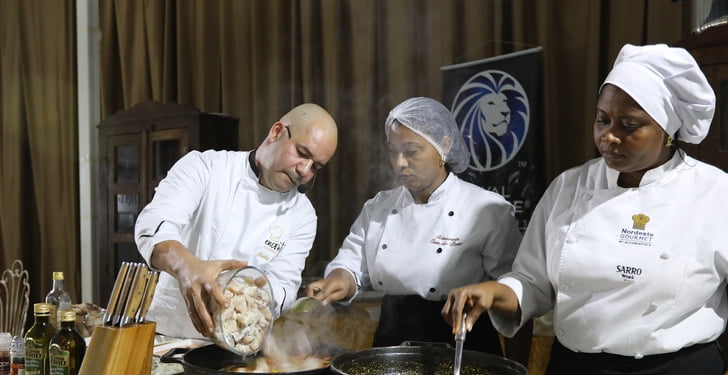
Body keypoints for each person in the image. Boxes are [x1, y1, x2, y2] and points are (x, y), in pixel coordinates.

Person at [442, 43, 728, 375]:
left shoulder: (715, 194)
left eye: (630, 126)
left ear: (669, 130)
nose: (609, 137)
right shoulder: (568, 187)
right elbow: (532, 281)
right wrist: (494, 292)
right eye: (602, 120)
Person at [306, 97, 527, 357]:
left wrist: (520, 369)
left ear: (444, 147)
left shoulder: (487, 209)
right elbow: (352, 263)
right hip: (392, 339)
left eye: (411, 151)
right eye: (393, 151)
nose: (399, 163)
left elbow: (516, 291)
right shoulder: (379, 206)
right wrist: (340, 279)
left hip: (463, 342)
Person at [134, 103, 338, 339]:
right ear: (276, 132)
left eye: (316, 167)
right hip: (168, 336)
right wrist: (187, 267)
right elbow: (154, 225)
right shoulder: (206, 168)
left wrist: (246, 296)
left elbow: (284, 286)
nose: (304, 171)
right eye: (302, 153)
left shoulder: (302, 215)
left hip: (237, 343)